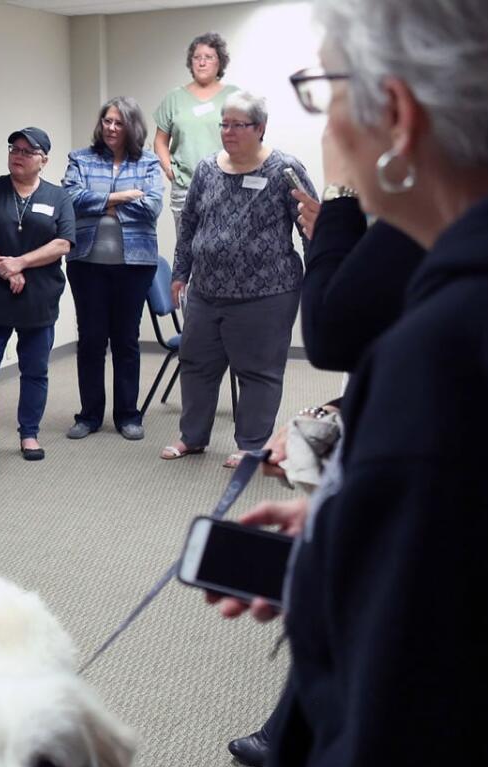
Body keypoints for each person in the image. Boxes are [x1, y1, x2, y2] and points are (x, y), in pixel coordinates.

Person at [212, 0, 488, 767]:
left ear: (397, 118)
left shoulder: (455, 353)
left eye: (325, 92)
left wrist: (341, 579)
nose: (326, 126)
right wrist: (348, 528)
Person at [223, 126, 426, 767]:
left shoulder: (432, 211)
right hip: (390, 429)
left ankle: (306, 726)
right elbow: (397, 351)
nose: (330, 120)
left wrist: (338, 193)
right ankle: (299, 718)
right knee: (340, 562)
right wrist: (332, 418)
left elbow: (335, 328)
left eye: (330, 91)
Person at [162, 91, 315, 468]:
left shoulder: (284, 169)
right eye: (224, 124)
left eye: (237, 125)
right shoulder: (206, 169)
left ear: (260, 128)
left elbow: (312, 226)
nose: (228, 132)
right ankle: (192, 437)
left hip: (267, 292)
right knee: (196, 364)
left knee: (258, 370)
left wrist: (320, 279)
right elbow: (191, 224)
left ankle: (252, 444)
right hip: (207, 290)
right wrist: (181, 271)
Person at [0, 127, 75, 461]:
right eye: (15, 148)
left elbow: (63, 242)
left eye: (28, 151)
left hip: (38, 296)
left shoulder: (58, 197)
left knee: (34, 368)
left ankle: (29, 434)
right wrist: (3, 268)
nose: (18, 154)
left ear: (44, 160)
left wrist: (20, 264)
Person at [62, 96, 163, 442]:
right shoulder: (80, 158)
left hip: (134, 265)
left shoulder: (148, 162)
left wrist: (100, 204)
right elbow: (71, 199)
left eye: (119, 122)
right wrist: (121, 198)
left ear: (132, 126)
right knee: (90, 340)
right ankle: (89, 415)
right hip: (86, 264)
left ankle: (127, 415)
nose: (111, 127)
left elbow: (151, 208)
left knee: (125, 341)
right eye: (107, 121)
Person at [153, 32, 240, 234]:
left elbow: (248, 138)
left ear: (220, 62)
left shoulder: (234, 96)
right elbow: (160, 141)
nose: (202, 63)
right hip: (185, 186)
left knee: (225, 245)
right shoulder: (174, 98)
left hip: (226, 184)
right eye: (197, 57)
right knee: (187, 250)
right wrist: (169, 170)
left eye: (208, 57)